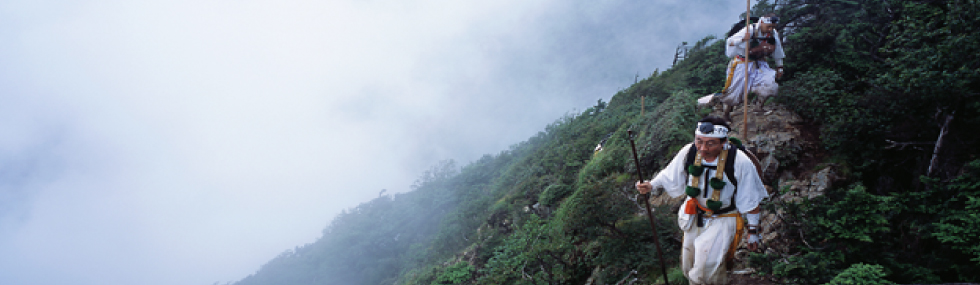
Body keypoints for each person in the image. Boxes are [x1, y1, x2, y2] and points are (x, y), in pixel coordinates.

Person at [636, 116, 768, 285]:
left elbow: (750, 198)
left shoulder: (739, 161)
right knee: (688, 264)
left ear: (724, 142)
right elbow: (670, 173)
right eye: (699, 141)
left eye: (710, 143)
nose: (703, 148)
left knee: (706, 268)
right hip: (695, 215)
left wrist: (753, 232)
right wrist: (650, 185)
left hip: (723, 218)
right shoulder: (690, 151)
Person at [716, 15, 785, 121]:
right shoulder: (749, 29)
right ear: (761, 22)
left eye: (773, 26)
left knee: (770, 84)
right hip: (741, 63)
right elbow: (730, 41)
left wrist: (779, 67)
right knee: (734, 93)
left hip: (760, 63)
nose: (771, 29)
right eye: (769, 26)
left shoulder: (772, 33)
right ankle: (726, 113)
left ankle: (759, 107)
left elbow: (778, 50)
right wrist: (743, 39)